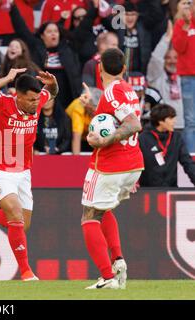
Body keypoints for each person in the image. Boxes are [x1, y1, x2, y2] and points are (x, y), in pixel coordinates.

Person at [0, 69, 59, 281]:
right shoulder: (2, 103)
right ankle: (26, 273)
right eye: (31, 99)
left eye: (37, 99)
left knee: (22, 225)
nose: (36, 103)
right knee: (14, 214)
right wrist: (6, 78)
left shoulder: (38, 101)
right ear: (19, 95)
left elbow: (52, 92)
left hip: (23, 172)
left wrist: (53, 84)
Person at [82, 48, 143, 289]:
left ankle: (107, 278)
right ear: (124, 68)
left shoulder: (112, 90)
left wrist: (104, 141)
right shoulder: (128, 89)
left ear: (99, 69)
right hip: (132, 163)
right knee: (103, 209)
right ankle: (117, 261)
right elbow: (114, 119)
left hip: (110, 165)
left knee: (89, 216)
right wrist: (92, 108)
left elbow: (133, 124)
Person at [9, 3, 81, 111]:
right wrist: (12, 7)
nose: (53, 34)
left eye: (56, 31)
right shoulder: (36, 46)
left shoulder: (67, 48)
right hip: (42, 98)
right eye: (49, 32)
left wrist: (62, 20)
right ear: (42, 35)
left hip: (68, 99)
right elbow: (21, 29)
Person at [139, 104, 195, 186]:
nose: (174, 121)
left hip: (171, 190)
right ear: (160, 121)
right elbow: (134, 164)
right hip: (148, 191)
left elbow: (188, 163)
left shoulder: (176, 138)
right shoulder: (143, 138)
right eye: (171, 118)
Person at [147, 20, 185, 130]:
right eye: (168, 58)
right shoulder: (156, 75)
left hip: (184, 126)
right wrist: (167, 38)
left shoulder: (185, 77)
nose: (172, 61)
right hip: (161, 127)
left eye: (175, 58)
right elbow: (156, 58)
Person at [172, 0, 195, 152]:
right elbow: (178, 48)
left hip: (188, 78)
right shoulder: (180, 24)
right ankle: (192, 156)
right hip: (188, 77)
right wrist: (186, 27)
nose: (189, 6)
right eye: (186, 3)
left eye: (191, 3)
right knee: (190, 120)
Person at [66, 83, 101, 154]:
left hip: (88, 137)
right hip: (69, 138)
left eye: (97, 107)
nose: (95, 110)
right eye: (93, 107)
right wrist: (77, 162)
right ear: (86, 104)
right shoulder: (78, 108)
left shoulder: (100, 108)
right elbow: (76, 138)